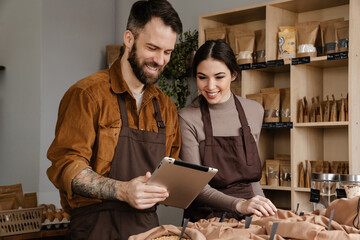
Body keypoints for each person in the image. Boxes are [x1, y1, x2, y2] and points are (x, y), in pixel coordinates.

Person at [46, 0, 182, 239]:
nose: (160, 61)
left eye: (168, 52)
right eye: (152, 48)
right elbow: (67, 165)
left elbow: (171, 170)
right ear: (129, 39)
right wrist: (123, 190)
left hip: (148, 230)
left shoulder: (166, 107)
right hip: (94, 229)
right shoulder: (87, 94)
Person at [178, 39, 277, 222]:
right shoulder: (187, 118)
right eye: (202, 77)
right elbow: (197, 187)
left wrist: (264, 209)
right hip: (204, 218)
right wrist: (239, 205)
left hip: (247, 215)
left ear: (233, 74)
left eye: (219, 77)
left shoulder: (255, 111)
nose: (210, 86)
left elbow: (252, 179)